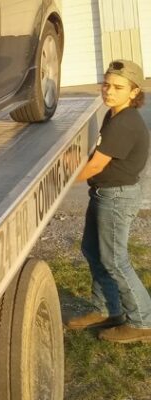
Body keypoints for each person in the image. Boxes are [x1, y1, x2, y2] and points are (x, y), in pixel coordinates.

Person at [68, 59, 151, 342]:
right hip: (104, 193)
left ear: (133, 91)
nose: (109, 91)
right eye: (106, 84)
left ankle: (142, 321)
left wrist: (60, 180)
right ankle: (107, 309)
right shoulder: (114, 115)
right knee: (92, 250)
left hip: (117, 197)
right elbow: (95, 156)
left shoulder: (125, 122)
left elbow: (94, 167)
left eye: (117, 87)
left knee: (115, 260)